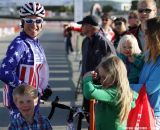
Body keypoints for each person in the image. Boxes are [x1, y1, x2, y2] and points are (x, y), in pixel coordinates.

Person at [0, 2, 52, 120]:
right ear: (22, 22)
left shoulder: (36, 43)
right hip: (20, 106)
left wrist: (45, 87)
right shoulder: (20, 44)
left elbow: (37, 71)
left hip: (33, 102)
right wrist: (26, 89)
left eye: (38, 21)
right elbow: (4, 71)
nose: (34, 25)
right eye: (29, 20)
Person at [77, 15, 116, 122]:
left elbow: (114, 65)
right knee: (88, 115)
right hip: (87, 85)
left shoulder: (104, 42)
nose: (81, 27)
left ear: (90, 26)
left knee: (98, 118)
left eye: (83, 25)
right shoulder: (85, 41)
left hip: (100, 88)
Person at [83, 55, 138, 130]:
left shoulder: (115, 93)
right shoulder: (115, 89)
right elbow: (94, 88)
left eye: (104, 77)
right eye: (100, 77)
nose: (101, 80)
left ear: (114, 77)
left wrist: (87, 79)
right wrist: (90, 80)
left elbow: (90, 93)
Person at [130, 17, 160, 129]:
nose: (144, 35)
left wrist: (124, 86)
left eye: (146, 32)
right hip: (142, 108)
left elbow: (149, 88)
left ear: (155, 35)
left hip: (155, 114)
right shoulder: (148, 54)